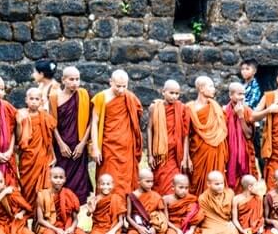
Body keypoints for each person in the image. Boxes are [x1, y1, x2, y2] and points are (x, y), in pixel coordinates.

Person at [91, 69, 143, 197]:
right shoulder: (101, 97)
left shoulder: (130, 98)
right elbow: (94, 123)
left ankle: (124, 209)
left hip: (126, 148)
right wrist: (95, 148)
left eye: (124, 86)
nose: (121, 90)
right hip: (108, 146)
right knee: (108, 177)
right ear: (110, 82)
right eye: (118, 86)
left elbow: (136, 118)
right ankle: (107, 208)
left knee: (125, 180)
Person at [35, 167, 92, 234]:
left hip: (68, 225)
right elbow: (40, 220)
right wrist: (56, 230)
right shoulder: (42, 195)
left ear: (65, 179)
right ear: (49, 178)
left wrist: (71, 228)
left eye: (61, 178)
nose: (58, 180)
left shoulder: (69, 194)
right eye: (55, 177)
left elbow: (75, 219)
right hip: (48, 226)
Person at [49, 66, 92, 204]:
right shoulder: (54, 97)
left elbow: (91, 121)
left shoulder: (84, 95)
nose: (75, 82)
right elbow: (52, 123)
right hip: (62, 146)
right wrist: (60, 144)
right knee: (62, 178)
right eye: (71, 79)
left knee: (80, 181)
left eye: (77, 79)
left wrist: (82, 144)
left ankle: (77, 211)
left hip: (79, 145)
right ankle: (61, 206)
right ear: (63, 80)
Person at [186, 76, 228, 195]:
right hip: (198, 151)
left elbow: (223, 129)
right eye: (211, 86)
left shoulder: (216, 108)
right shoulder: (189, 108)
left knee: (216, 180)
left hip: (216, 150)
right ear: (201, 88)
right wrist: (186, 157)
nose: (214, 89)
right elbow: (185, 134)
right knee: (196, 181)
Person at [148, 80, 191, 196]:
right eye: (171, 93)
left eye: (177, 94)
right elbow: (149, 130)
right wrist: (150, 155)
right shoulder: (155, 107)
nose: (174, 96)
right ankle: (162, 207)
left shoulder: (182, 109)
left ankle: (172, 208)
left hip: (175, 154)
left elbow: (185, 135)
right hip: (160, 155)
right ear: (163, 92)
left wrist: (185, 157)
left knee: (174, 181)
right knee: (160, 182)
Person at [16, 87, 57, 209]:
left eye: (37, 99)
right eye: (31, 98)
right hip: (27, 156)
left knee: (42, 186)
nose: (34, 101)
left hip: (42, 156)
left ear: (42, 101)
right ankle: (26, 209)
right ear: (26, 100)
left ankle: (39, 214)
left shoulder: (45, 117)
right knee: (26, 183)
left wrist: (53, 156)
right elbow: (19, 139)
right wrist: (19, 123)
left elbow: (49, 140)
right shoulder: (21, 115)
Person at [224, 82, 257, 190]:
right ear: (231, 95)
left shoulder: (247, 111)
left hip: (244, 154)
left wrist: (241, 117)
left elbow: (248, 135)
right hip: (228, 153)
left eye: (243, 94)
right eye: (239, 94)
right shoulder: (223, 112)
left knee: (245, 182)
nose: (242, 97)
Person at [240, 58, 264, 175]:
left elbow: (251, 103)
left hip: (252, 121)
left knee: (258, 150)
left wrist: (240, 106)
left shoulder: (256, 87)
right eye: (242, 69)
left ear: (254, 71)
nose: (244, 71)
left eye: (247, 69)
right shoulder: (241, 85)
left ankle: (264, 175)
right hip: (240, 120)